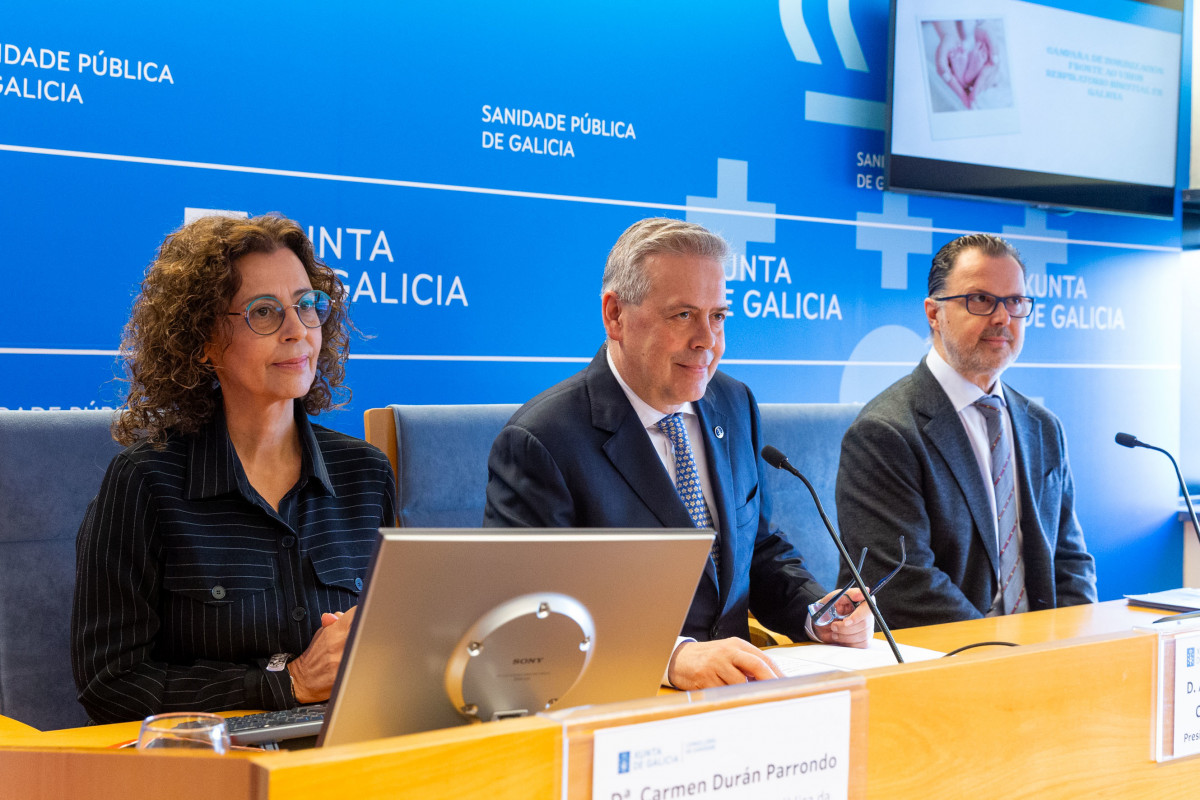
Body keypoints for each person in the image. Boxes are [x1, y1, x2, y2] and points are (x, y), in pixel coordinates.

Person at [483, 217, 874, 690]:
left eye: (718, 316)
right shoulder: (541, 439)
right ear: (615, 316)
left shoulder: (734, 404)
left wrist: (819, 612)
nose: (707, 340)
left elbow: (760, 552)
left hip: (737, 699)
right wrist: (671, 658)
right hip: (616, 705)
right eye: (683, 315)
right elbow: (530, 613)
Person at [71, 214, 396, 724]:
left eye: (307, 306)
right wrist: (285, 684)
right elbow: (111, 686)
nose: (297, 331)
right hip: (210, 768)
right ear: (202, 342)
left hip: (348, 757)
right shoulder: (145, 482)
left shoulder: (366, 474)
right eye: (264, 312)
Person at [835, 233, 1097, 629]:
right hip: (947, 661)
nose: (1002, 317)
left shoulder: (1042, 427)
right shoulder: (885, 432)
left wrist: (1072, 645)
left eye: (1015, 302)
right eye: (980, 300)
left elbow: (1071, 561)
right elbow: (902, 586)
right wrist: (1003, 657)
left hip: (1043, 656)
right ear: (933, 313)